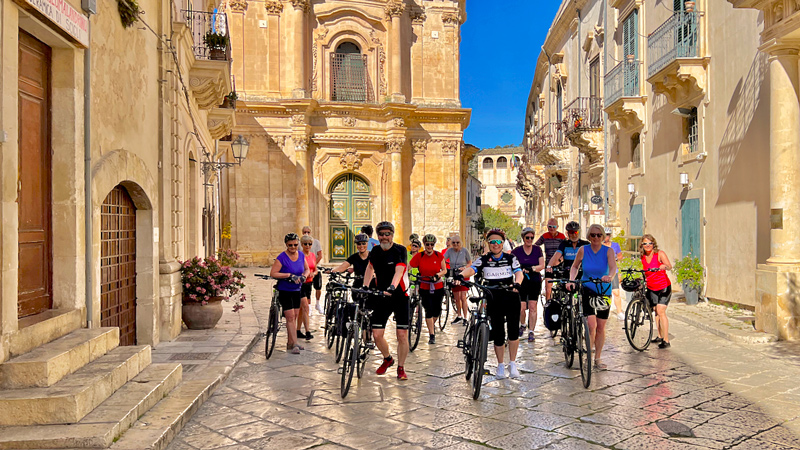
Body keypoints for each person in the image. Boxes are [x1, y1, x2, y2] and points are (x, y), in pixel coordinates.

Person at [458, 228, 524, 379]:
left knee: (513, 331)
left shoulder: (510, 258)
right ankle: (500, 365)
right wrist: (460, 275)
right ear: (488, 243)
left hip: (510, 294)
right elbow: (472, 269)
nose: (495, 244)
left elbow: (518, 272)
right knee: (498, 332)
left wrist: (518, 283)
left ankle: (512, 363)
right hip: (493, 296)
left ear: (503, 243)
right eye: (492, 241)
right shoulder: (484, 259)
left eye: (498, 241)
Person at [362, 221, 411, 380]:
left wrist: (392, 286)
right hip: (382, 295)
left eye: (387, 234)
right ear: (377, 236)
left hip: (400, 296)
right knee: (376, 334)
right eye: (381, 234)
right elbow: (370, 268)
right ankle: (388, 358)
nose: (384, 237)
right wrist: (365, 286)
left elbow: (399, 270)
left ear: (392, 235)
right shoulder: (375, 251)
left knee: (402, 335)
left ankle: (401, 368)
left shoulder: (400, 250)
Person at [567, 224, 617, 369]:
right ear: (589, 236)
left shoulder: (608, 251)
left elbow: (613, 267)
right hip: (587, 288)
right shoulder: (583, 250)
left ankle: (598, 358)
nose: (596, 238)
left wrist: (609, 276)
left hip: (603, 290)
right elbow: (575, 266)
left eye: (599, 235)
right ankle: (588, 354)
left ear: (603, 236)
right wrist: (571, 280)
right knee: (591, 324)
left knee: (601, 326)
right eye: (593, 235)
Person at [269, 233, 310, 354]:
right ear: (286, 245)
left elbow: (307, 269)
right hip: (285, 290)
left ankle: (290, 342)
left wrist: (304, 276)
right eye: (290, 245)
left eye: (295, 245)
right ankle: (295, 343)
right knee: (290, 317)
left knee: (295, 316)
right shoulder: (281, 257)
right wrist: (288, 275)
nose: (293, 247)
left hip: (297, 290)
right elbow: (273, 273)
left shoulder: (301, 255)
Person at [409, 234, 447, 345]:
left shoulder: (438, 255)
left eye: (431, 244)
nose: (429, 246)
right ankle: (431, 334)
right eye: (427, 244)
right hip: (424, 286)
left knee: (437, 310)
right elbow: (409, 266)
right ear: (424, 245)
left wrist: (438, 275)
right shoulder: (419, 256)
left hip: (437, 286)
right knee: (428, 310)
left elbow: (444, 270)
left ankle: (431, 323)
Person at [512, 227, 545, 342]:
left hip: (534, 280)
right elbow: (511, 264)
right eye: (527, 237)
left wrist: (532, 268)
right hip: (521, 281)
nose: (530, 240)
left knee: (532, 306)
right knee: (521, 307)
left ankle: (531, 331)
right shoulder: (517, 251)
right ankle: (522, 324)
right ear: (523, 238)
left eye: (532, 237)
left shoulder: (537, 250)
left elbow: (542, 265)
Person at [640, 234, 673, 349]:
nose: (648, 245)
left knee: (661, 310)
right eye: (645, 243)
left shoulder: (659, 254)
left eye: (650, 243)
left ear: (653, 244)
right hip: (651, 288)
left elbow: (669, 266)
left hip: (664, 287)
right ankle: (659, 335)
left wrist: (664, 266)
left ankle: (666, 340)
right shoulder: (642, 257)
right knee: (656, 311)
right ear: (642, 245)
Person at [536, 219, 567, 300]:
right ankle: (548, 303)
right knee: (548, 286)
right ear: (547, 227)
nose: (552, 228)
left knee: (562, 285)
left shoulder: (562, 237)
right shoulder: (544, 236)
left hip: (560, 263)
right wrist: (540, 256)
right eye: (550, 226)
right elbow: (535, 246)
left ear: (557, 227)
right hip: (548, 263)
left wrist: (560, 260)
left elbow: (567, 249)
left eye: (554, 226)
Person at [444, 235, 472, 324]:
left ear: (461, 243)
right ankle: (459, 315)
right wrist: (444, 268)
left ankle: (465, 317)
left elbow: (470, 262)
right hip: (454, 273)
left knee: (463, 297)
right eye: (453, 243)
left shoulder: (465, 251)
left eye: (457, 242)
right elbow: (442, 259)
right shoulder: (449, 251)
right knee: (456, 297)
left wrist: (465, 267)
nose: (455, 244)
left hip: (464, 274)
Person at [296, 235, 318, 340]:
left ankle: (297, 330)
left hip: (309, 284)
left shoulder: (313, 255)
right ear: (302, 244)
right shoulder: (299, 256)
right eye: (305, 244)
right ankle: (308, 331)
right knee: (305, 307)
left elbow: (315, 269)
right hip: (301, 284)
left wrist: (313, 273)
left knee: (302, 309)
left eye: (310, 244)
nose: (308, 246)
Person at [302, 226, 324, 314]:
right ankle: (309, 307)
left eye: (308, 232)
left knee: (318, 287)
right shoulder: (299, 243)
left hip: (314, 267)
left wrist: (312, 264)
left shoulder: (316, 242)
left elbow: (320, 255)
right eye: (305, 232)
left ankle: (317, 303)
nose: (306, 233)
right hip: (304, 271)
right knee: (307, 290)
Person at [604, 228, 625, 320]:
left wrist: (615, 258)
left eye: (607, 235)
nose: (606, 237)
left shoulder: (615, 245)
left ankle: (619, 312)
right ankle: (605, 311)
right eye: (604, 234)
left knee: (616, 292)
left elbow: (620, 256)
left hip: (613, 272)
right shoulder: (599, 246)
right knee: (605, 293)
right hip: (603, 272)